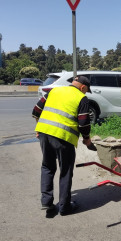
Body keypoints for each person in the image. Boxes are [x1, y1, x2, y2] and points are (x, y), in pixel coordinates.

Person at [32, 75, 94, 216]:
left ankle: (46, 202)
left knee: (47, 166)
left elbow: (36, 110)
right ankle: (65, 206)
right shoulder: (81, 98)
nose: (85, 93)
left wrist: (38, 128)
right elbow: (83, 123)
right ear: (83, 87)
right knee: (65, 171)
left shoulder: (54, 91)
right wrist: (87, 140)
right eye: (85, 90)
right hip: (63, 137)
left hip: (44, 133)